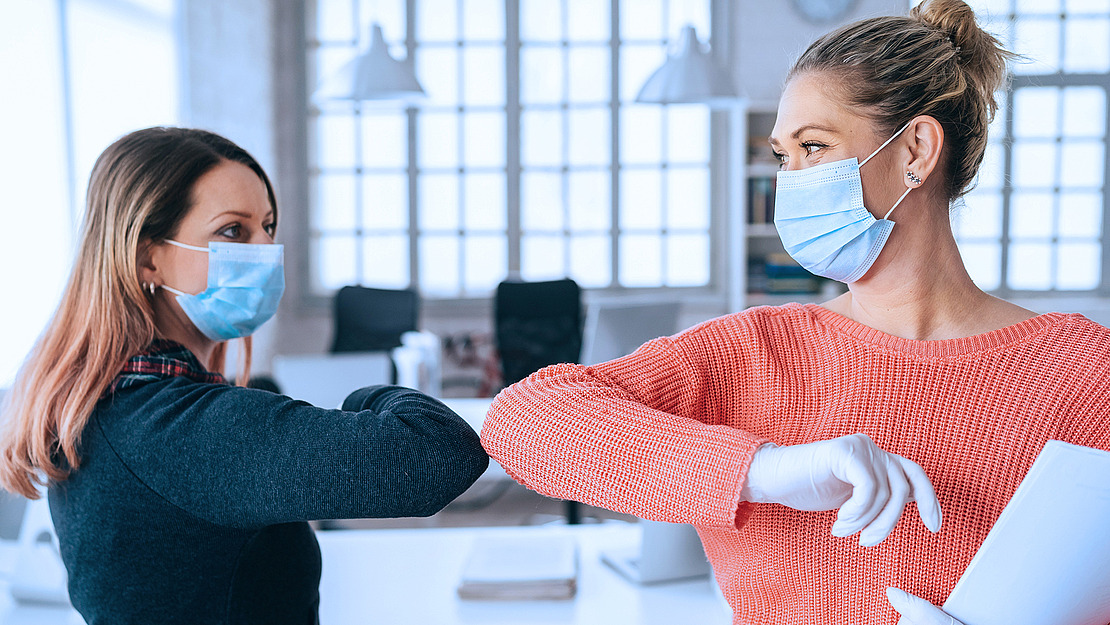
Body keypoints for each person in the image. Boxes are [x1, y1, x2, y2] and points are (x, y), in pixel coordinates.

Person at [481, 1, 1110, 623]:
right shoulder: (749, 351)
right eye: (785, 156)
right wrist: (766, 469)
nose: (793, 177)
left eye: (815, 146)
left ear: (916, 149)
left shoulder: (1083, 370)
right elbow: (520, 423)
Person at [0, 127, 489, 624]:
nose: (265, 250)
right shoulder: (181, 429)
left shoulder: (105, 406)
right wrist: (370, 395)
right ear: (148, 255)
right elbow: (438, 453)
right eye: (233, 231)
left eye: (269, 226)